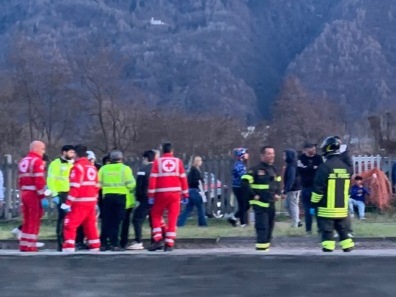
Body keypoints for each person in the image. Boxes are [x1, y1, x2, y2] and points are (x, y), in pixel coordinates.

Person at [311, 136, 354, 252]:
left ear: (327, 149)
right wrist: (346, 153)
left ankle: (328, 256)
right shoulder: (346, 168)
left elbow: (318, 189)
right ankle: (348, 250)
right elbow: (351, 170)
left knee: (327, 234)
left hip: (326, 211)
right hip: (342, 210)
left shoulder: (324, 167)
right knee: (343, 232)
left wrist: (313, 204)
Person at [147, 143, 189, 252]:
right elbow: (183, 178)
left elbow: (153, 179)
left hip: (161, 193)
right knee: (173, 217)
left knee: (156, 214)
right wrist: (185, 194)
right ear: (172, 151)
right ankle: (169, 243)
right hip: (175, 194)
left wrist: (151, 195)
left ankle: (158, 238)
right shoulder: (178, 161)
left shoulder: (157, 162)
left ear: (162, 151)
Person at [241, 146, 282, 251]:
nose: (272, 156)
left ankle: (266, 249)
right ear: (262, 156)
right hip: (259, 204)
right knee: (262, 227)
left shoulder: (274, 169)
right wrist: (253, 195)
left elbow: (278, 183)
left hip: (271, 203)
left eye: (273, 153)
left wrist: (277, 193)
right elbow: (245, 183)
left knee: (270, 227)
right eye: (269, 154)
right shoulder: (255, 170)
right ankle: (261, 251)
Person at [62, 145, 100, 252]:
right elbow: (97, 186)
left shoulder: (77, 167)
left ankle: (68, 248)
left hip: (79, 202)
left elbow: (75, 187)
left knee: (69, 224)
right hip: (91, 202)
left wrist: (68, 203)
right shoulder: (92, 167)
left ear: (76, 154)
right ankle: (95, 247)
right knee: (90, 226)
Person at [99, 150, 136, 251]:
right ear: (121, 158)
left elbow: (98, 183)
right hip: (121, 197)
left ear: (110, 159)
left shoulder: (103, 169)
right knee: (117, 221)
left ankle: (104, 243)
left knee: (107, 220)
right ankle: (115, 244)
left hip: (107, 197)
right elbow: (131, 185)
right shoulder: (125, 169)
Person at [17, 141, 47, 252]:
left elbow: (20, 180)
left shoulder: (23, 161)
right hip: (33, 194)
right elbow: (39, 180)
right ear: (36, 148)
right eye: (43, 149)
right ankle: (31, 245)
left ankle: (24, 244)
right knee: (34, 220)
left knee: (27, 220)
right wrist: (42, 196)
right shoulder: (37, 161)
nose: (44, 151)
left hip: (25, 192)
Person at [46, 145, 77, 251]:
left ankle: (70, 240)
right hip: (61, 194)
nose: (73, 155)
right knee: (63, 217)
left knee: (72, 218)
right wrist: (54, 195)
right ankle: (61, 242)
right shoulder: (55, 164)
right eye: (71, 152)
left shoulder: (73, 164)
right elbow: (51, 180)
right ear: (64, 152)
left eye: (73, 153)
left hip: (71, 193)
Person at [127, 150, 157, 250]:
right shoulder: (158, 169)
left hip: (145, 198)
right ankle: (156, 240)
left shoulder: (143, 169)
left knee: (137, 219)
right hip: (157, 198)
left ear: (145, 158)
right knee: (154, 221)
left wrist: (138, 197)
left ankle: (138, 241)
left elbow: (140, 185)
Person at [298, 142, 323, 234]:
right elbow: (300, 171)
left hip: (316, 187)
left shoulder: (318, 158)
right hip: (306, 187)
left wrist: (309, 169)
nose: (313, 150)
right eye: (311, 148)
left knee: (318, 210)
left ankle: (320, 229)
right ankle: (308, 229)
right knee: (308, 210)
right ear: (306, 149)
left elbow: (321, 170)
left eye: (314, 148)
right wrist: (311, 168)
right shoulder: (301, 158)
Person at [177, 155, 207, 227]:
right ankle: (202, 223)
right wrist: (201, 180)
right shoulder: (195, 170)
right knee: (200, 207)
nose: (201, 162)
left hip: (190, 191)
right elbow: (196, 181)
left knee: (188, 208)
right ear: (198, 162)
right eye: (200, 161)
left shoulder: (191, 170)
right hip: (195, 191)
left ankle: (179, 223)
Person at [228, 148, 249, 227]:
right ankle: (241, 222)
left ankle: (234, 219)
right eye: (246, 153)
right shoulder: (238, 165)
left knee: (244, 205)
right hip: (238, 187)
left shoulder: (242, 164)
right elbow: (243, 176)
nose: (248, 155)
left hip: (241, 187)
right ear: (242, 155)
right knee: (244, 205)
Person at [283, 149, 302, 228]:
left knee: (293, 205)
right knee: (287, 205)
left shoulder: (292, 166)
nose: (283, 157)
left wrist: (286, 190)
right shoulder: (290, 164)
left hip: (294, 189)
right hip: (291, 188)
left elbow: (291, 178)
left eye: (284, 155)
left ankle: (296, 223)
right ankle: (297, 221)